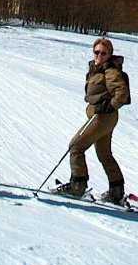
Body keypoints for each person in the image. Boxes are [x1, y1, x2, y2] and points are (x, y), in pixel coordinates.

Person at [55, 37, 129, 204]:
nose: (99, 55)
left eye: (104, 53)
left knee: (76, 146)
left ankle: (77, 186)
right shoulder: (98, 69)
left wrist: (110, 106)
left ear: (110, 54)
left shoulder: (110, 70)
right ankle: (116, 191)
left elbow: (121, 92)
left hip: (103, 117)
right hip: (103, 117)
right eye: (97, 52)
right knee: (104, 154)